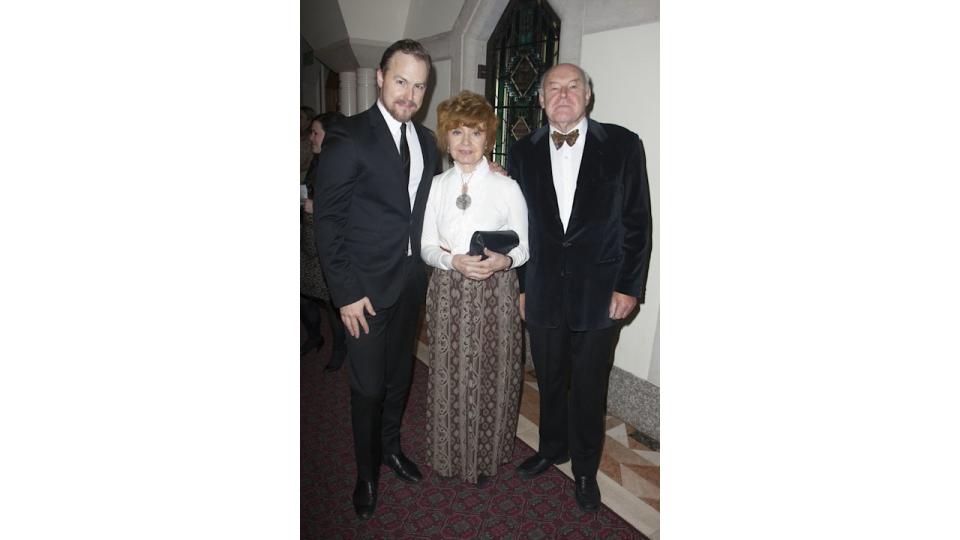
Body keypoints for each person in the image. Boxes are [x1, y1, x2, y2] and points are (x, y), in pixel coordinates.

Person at [508, 63, 653, 512]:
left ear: (588, 96)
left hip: (601, 292)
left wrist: (629, 287)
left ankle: (586, 470)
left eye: (574, 87)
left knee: (590, 385)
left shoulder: (625, 145)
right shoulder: (521, 151)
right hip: (543, 289)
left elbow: (637, 222)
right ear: (541, 99)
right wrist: (521, 285)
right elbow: (517, 226)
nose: (564, 94)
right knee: (549, 379)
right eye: (554, 87)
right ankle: (553, 447)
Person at [313, 39, 440, 520]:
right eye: (402, 80)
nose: (409, 94)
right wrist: (344, 293)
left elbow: (432, 204)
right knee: (367, 386)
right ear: (381, 79)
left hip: (410, 281)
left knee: (400, 376)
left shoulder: (427, 142)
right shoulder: (349, 135)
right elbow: (329, 221)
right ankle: (366, 473)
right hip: (362, 291)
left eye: (419, 86)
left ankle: (390, 449)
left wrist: (481, 174)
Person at [420, 91, 529, 488]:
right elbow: (426, 245)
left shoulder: (507, 187)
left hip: (496, 293)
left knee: (493, 373)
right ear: (446, 138)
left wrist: (506, 261)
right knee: (449, 372)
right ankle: (449, 454)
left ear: (489, 139)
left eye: (476, 133)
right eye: (458, 132)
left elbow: (524, 247)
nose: (466, 142)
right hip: (449, 290)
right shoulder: (435, 186)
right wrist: (451, 261)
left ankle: (488, 454)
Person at [301, 112, 347, 371]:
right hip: (306, 241)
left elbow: (347, 208)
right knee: (303, 296)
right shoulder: (319, 160)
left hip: (325, 245)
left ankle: (340, 349)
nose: (311, 137)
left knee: (332, 302)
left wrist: (315, 207)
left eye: (315, 132)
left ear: (330, 135)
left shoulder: (339, 163)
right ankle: (314, 336)